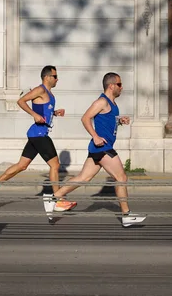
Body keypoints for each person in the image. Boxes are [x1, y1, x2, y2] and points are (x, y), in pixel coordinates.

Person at [45, 72, 146, 227]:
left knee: (84, 178)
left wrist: (119, 121)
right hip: (102, 147)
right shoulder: (102, 101)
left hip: (99, 147)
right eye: (119, 84)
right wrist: (96, 136)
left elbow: (105, 120)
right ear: (111, 86)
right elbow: (85, 118)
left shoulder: (112, 104)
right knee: (121, 177)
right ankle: (126, 215)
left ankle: (53, 198)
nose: (122, 87)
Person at [0, 65, 76, 211]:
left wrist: (55, 113)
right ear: (47, 77)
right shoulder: (40, 90)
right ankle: (57, 200)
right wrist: (34, 115)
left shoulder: (50, 95)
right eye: (55, 76)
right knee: (55, 165)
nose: (57, 79)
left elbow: (44, 112)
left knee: (22, 165)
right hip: (39, 134)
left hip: (37, 134)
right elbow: (21, 101)